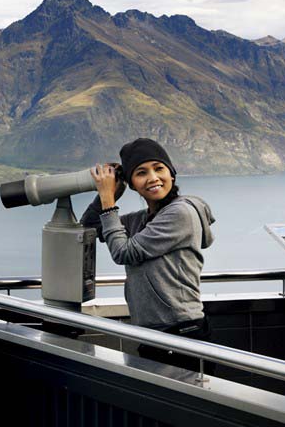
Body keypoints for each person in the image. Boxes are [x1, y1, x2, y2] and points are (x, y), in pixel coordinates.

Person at [81, 138, 216, 372]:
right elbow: (90, 225)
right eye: (141, 172)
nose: (153, 177)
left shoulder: (180, 213)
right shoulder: (141, 220)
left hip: (182, 334)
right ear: (133, 183)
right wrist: (113, 190)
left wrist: (108, 200)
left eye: (159, 168)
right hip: (155, 334)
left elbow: (123, 252)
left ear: (172, 174)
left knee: (177, 407)